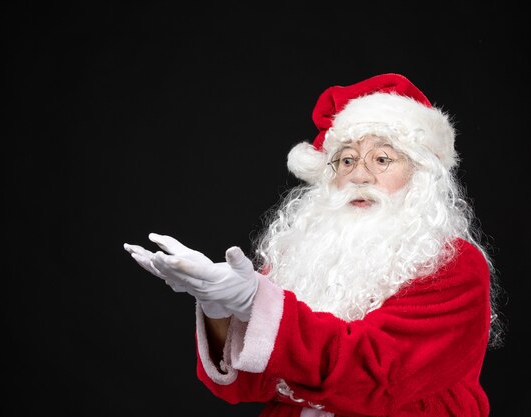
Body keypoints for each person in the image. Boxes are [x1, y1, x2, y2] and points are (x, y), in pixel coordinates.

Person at [123, 73, 504, 417]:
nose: (359, 174)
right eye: (346, 160)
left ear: (420, 175)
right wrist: (220, 308)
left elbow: (377, 376)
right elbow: (247, 386)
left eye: (382, 159)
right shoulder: (301, 257)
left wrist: (257, 305)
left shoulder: (453, 265)